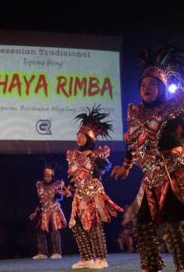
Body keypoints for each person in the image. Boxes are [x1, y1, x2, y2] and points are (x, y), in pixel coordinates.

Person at [112, 43, 184, 272]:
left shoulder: (173, 108)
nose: (146, 87)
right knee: (142, 224)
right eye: (142, 84)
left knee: (175, 220)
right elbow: (133, 142)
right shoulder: (135, 113)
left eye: (151, 84)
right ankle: (151, 267)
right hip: (151, 177)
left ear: (161, 87)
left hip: (174, 173)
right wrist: (126, 165)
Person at [65, 105, 124, 270]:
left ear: (89, 137)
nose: (78, 137)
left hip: (92, 193)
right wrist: (69, 187)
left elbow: (105, 167)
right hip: (79, 195)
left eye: (81, 135)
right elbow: (73, 175)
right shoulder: (73, 155)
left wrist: (94, 157)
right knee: (76, 224)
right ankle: (86, 258)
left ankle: (101, 258)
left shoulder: (98, 152)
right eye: (77, 134)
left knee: (94, 225)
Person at [29, 163, 66, 260]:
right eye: (45, 176)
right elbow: (39, 199)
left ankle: (57, 252)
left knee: (54, 230)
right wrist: (36, 211)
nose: (47, 178)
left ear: (52, 176)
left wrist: (59, 194)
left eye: (49, 176)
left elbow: (60, 197)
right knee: (40, 231)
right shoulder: (40, 185)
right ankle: (42, 252)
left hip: (54, 210)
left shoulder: (57, 184)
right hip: (43, 210)